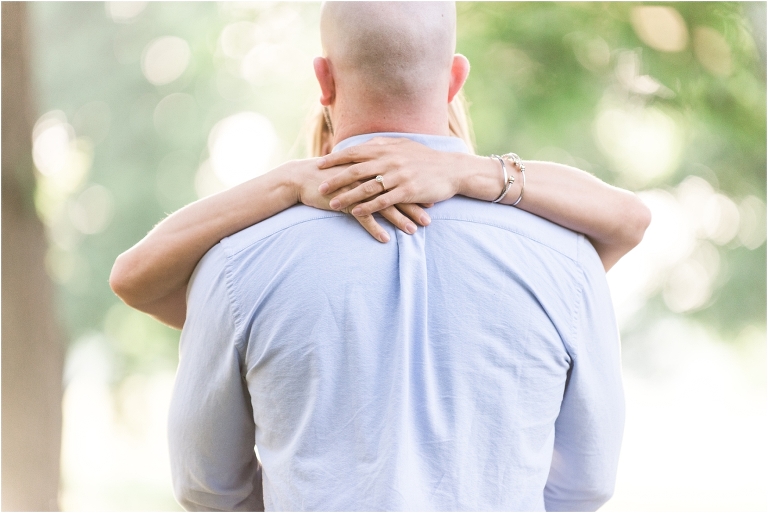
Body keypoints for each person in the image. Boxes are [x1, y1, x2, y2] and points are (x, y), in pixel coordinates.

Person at [110, 2, 650, 510]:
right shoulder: (566, 258)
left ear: (323, 79)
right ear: (455, 78)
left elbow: (206, 486)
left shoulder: (235, 266)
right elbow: (587, 482)